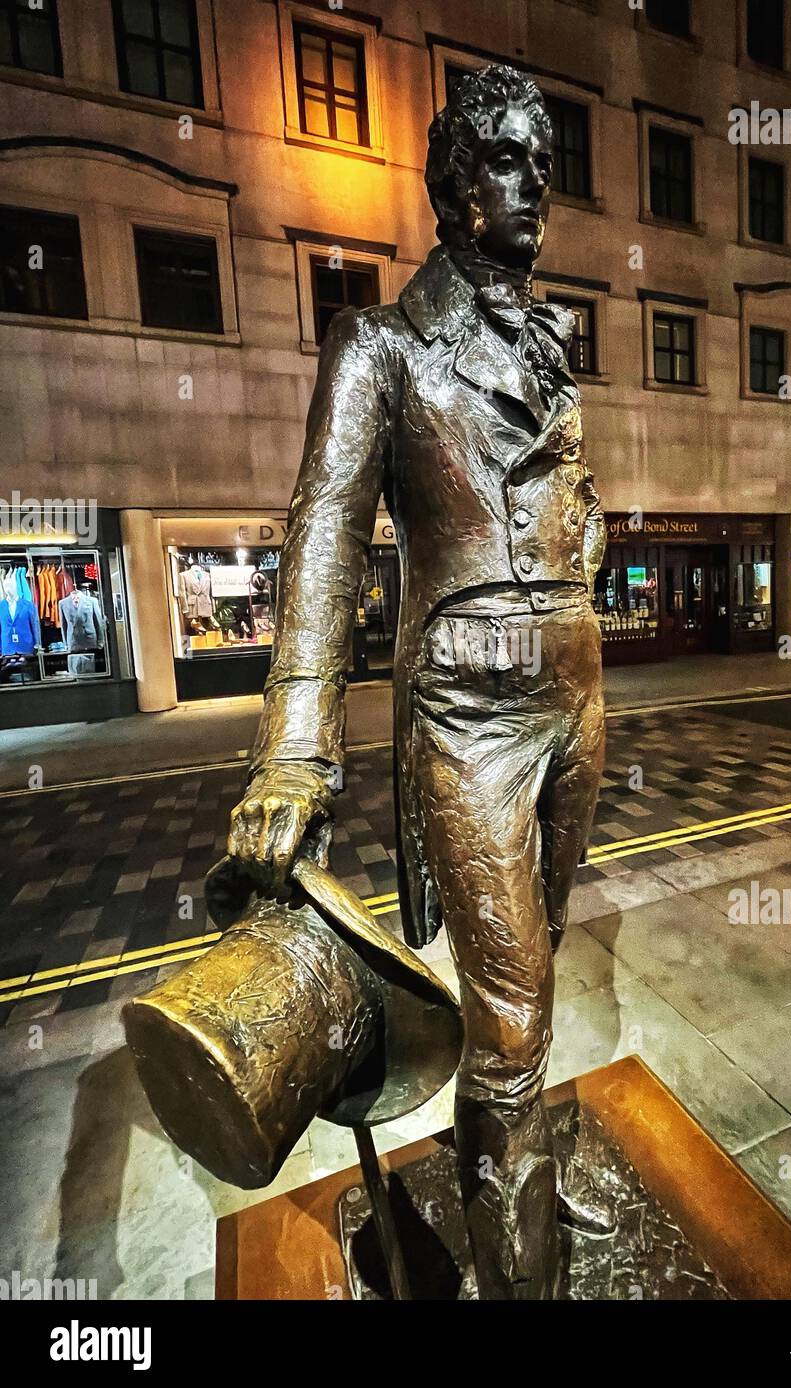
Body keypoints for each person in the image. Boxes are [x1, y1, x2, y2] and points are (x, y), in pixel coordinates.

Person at [226, 64, 611, 1299]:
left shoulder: (551, 345)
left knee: (536, 971)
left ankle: (518, 1166)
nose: (531, 180)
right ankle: (519, 1267)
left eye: (542, 160)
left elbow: (567, 498)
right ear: (449, 182)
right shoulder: (382, 343)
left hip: (578, 698)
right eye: (504, 157)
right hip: (474, 715)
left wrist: (587, 538)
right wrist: (296, 748)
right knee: (506, 1011)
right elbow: (326, 531)